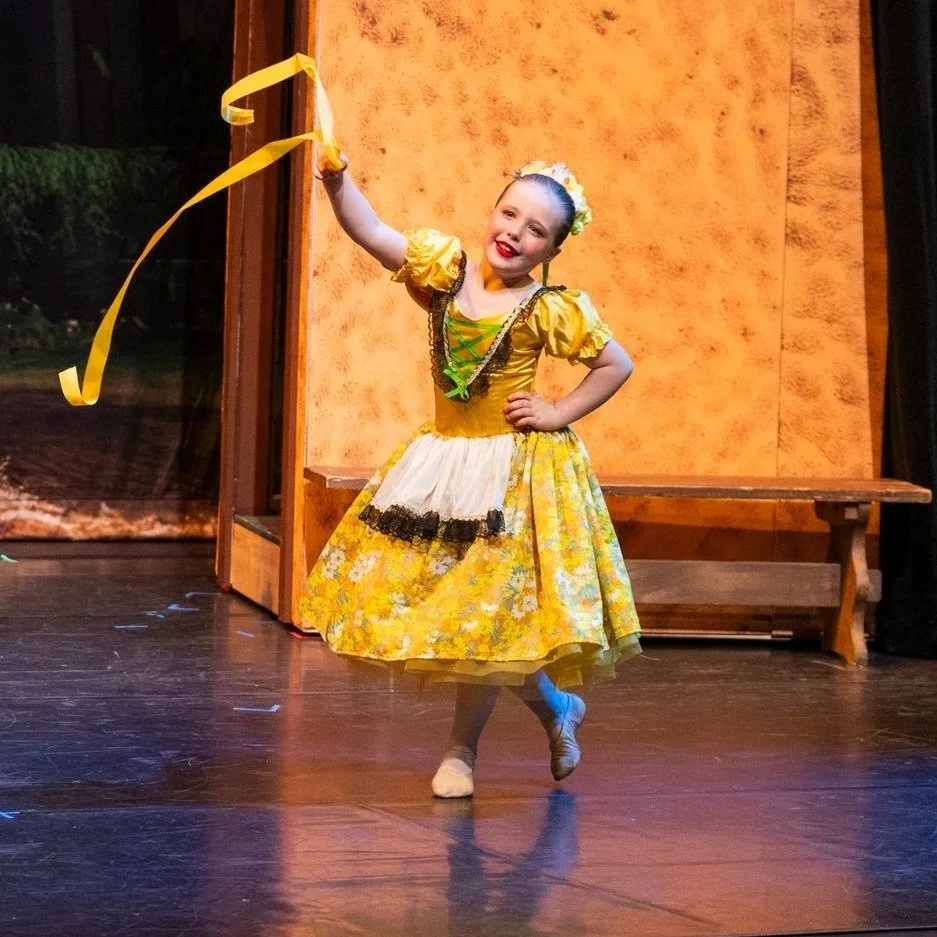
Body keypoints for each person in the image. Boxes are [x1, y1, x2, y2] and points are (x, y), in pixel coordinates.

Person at [298, 153, 641, 798]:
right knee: (470, 620)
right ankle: (557, 709)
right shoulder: (447, 272)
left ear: (553, 250)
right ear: (492, 212)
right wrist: (338, 183)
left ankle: (461, 753)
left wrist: (556, 411)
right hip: (446, 468)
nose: (515, 233)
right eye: (509, 214)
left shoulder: (546, 308)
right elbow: (371, 231)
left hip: (511, 477)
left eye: (536, 230)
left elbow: (615, 364)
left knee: (482, 621)